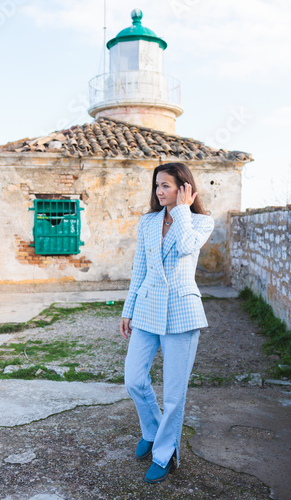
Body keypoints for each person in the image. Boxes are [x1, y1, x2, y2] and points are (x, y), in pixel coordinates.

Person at [120, 162, 214, 484]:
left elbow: (188, 247)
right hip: (146, 309)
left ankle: (164, 453)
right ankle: (153, 429)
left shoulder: (201, 222)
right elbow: (139, 269)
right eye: (157, 186)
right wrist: (127, 310)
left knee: (174, 394)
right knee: (133, 379)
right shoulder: (148, 222)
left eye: (166, 186)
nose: (159, 192)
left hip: (182, 312)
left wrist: (184, 211)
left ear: (184, 189)